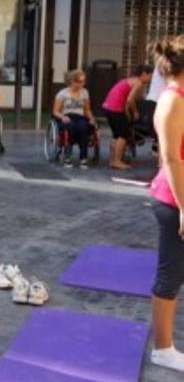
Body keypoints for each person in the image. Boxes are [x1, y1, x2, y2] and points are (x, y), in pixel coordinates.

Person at [146, 34, 184, 373]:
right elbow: (171, 158)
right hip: (174, 201)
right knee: (170, 275)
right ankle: (163, 348)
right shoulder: (173, 101)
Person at [103, 65, 153, 169]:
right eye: (150, 76)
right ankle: (117, 161)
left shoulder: (130, 80)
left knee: (116, 136)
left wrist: (127, 113)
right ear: (144, 74)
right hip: (115, 108)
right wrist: (135, 112)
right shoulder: (138, 82)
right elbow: (130, 99)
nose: (150, 79)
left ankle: (112, 161)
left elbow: (127, 99)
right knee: (123, 136)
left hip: (108, 107)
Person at [53, 69, 97, 169]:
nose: (82, 84)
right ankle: (68, 155)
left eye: (84, 81)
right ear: (73, 81)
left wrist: (92, 118)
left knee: (83, 127)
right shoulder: (62, 93)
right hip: (66, 116)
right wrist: (62, 117)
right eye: (80, 81)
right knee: (70, 126)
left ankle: (83, 157)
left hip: (80, 116)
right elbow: (55, 111)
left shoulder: (85, 93)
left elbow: (87, 110)